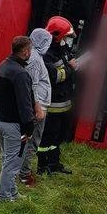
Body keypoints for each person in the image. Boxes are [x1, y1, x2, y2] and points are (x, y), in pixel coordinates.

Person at [0, 35, 35, 203]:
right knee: (12, 163)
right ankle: (4, 198)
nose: (31, 52)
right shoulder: (20, 74)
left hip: (0, 121)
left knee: (7, 158)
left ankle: (13, 192)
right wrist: (29, 128)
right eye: (30, 50)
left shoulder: (4, 65)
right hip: (14, 125)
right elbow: (25, 104)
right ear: (25, 51)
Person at [39, 16, 76, 175]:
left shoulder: (60, 49)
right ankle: (42, 166)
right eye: (66, 37)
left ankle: (54, 164)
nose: (68, 40)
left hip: (63, 104)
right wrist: (70, 68)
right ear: (58, 36)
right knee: (46, 139)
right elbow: (53, 76)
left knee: (57, 138)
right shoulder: (46, 53)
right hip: (52, 106)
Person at [19, 27, 52, 187]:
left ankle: (21, 170)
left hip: (37, 105)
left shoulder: (34, 56)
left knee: (28, 140)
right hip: (37, 107)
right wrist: (38, 107)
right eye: (47, 42)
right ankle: (25, 174)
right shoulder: (35, 59)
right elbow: (32, 86)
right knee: (32, 141)